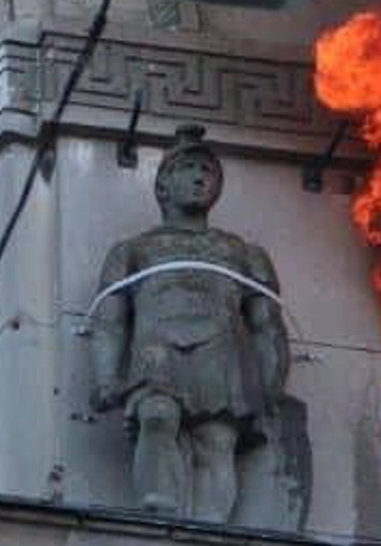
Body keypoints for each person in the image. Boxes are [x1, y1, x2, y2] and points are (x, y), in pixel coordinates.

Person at [87, 128, 288, 522]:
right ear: (163, 184)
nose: (200, 178)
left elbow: (268, 325)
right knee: (158, 416)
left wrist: (271, 386)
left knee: (217, 439)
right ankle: (159, 510)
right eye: (190, 168)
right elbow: (109, 319)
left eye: (208, 172)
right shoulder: (133, 249)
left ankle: (211, 532)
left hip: (218, 352)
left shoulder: (243, 252)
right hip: (156, 349)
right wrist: (105, 377)